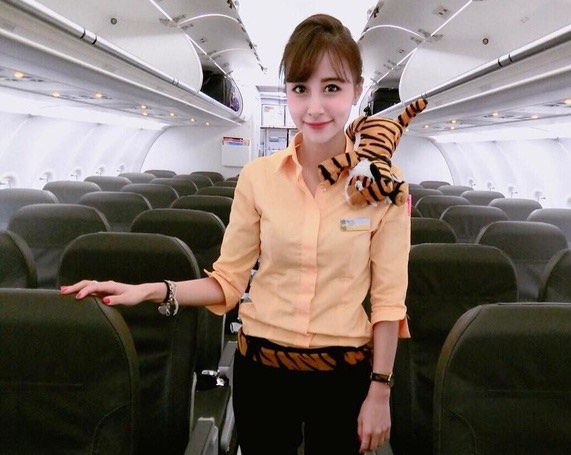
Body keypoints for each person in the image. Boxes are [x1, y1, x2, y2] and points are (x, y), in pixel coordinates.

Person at [61, 13, 410, 455]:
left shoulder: (384, 184)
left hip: (344, 377)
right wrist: (149, 290)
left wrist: (380, 390)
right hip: (262, 372)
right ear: (287, 92)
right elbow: (228, 283)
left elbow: (388, 301)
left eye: (332, 88)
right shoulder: (258, 178)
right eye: (300, 89)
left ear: (356, 91)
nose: (314, 107)